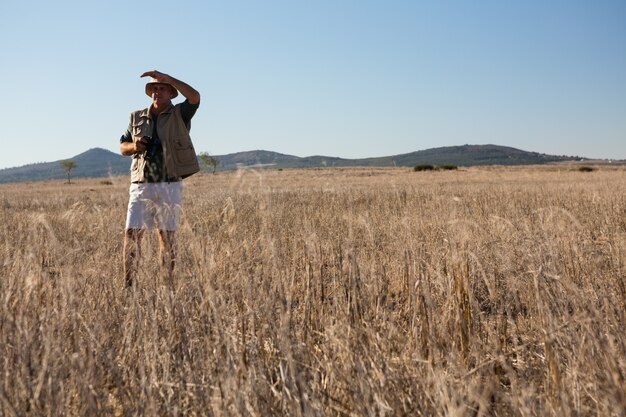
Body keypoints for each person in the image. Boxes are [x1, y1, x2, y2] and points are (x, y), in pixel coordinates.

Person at [120, 70, 200, 287]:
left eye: (162, 88)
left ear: (171, 93)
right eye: (154, 88)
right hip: (140, 184)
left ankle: (167, 285)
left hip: (169, 183)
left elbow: (195, 97)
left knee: (166, 238)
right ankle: (129, 287)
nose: (157, 91)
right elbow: (122, 146)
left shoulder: (180, 114)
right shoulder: (136, 117)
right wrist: (134, 146)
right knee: (131, 236)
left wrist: (169, 78)